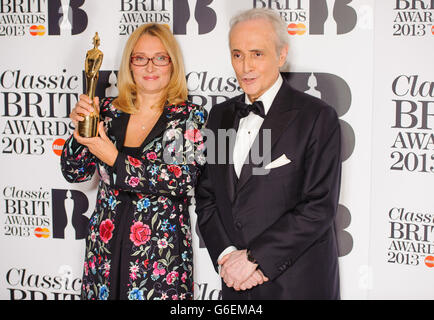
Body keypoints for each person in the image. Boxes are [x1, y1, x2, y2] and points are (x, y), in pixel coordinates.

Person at [196, 8, 341, 299]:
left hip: (296, 285)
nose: (245, 66)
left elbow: (317, 208)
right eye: (237, 54)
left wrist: (254, 260)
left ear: (281, 55)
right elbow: (208, 195)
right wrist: (227, 257)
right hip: (235, 285)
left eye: (257, 54)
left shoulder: (316, 117)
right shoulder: (221, 116)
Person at [61, 23, 207, 300]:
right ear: (130, 64)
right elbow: (74, 173)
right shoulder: (107, 111)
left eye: (160, 58)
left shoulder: (186, 116)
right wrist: (80, 133)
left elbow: (180, 179)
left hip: (161, 259)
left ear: (172, 64)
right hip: (104, 248)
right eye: (140, 58)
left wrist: (114, 158)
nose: (150, 67)